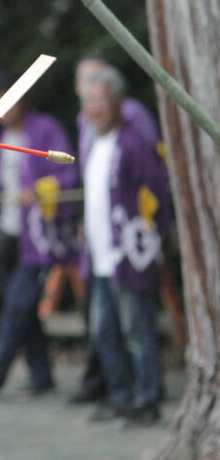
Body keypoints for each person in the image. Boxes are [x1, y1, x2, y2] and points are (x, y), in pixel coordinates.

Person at [0, 75, 78, 401]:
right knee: (23, 308)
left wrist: (41, 193)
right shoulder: (3, 137)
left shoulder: (45, 130)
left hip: (38, 238)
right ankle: (41, 374)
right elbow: (5, 182)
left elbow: (69, 173)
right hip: (9, 234)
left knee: (17, 308)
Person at [79, 65, 171, 428]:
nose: (95, 108)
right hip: (100, 254)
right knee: (103, 329)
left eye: (101, 100)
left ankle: (147, 399)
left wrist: (150, 236)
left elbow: (155, 192)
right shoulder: (93, 141)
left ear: (119, 102)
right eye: (88, 101)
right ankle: (119, 396)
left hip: (129, 253)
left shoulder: (133, 142)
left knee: (138, 329)